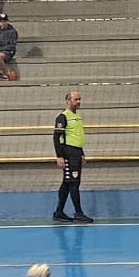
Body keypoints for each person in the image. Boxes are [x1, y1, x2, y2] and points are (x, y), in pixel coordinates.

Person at [52, 91, 94, 223]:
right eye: (76, 99)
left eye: (79, 99)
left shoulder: (77, 116)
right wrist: (59, 156)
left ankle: (59, 212)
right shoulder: (62, 117)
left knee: (67, 182)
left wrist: (81, 153)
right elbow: (56, 138)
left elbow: (77, 136)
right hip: (68, 153)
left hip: (76, 152)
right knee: (74, 182)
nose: (78, 102)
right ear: (68, 101)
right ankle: (78, 213)